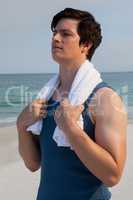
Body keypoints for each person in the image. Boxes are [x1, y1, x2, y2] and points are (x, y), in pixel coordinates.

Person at [17, 8, 127, 200]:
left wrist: (71, 130)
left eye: (65, 34)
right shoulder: (46, 97)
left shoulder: (105, 99)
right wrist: (21, 125)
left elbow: (112, 175)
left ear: (86, 44)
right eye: (54, 33)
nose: (55, 38)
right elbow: (33, 164)